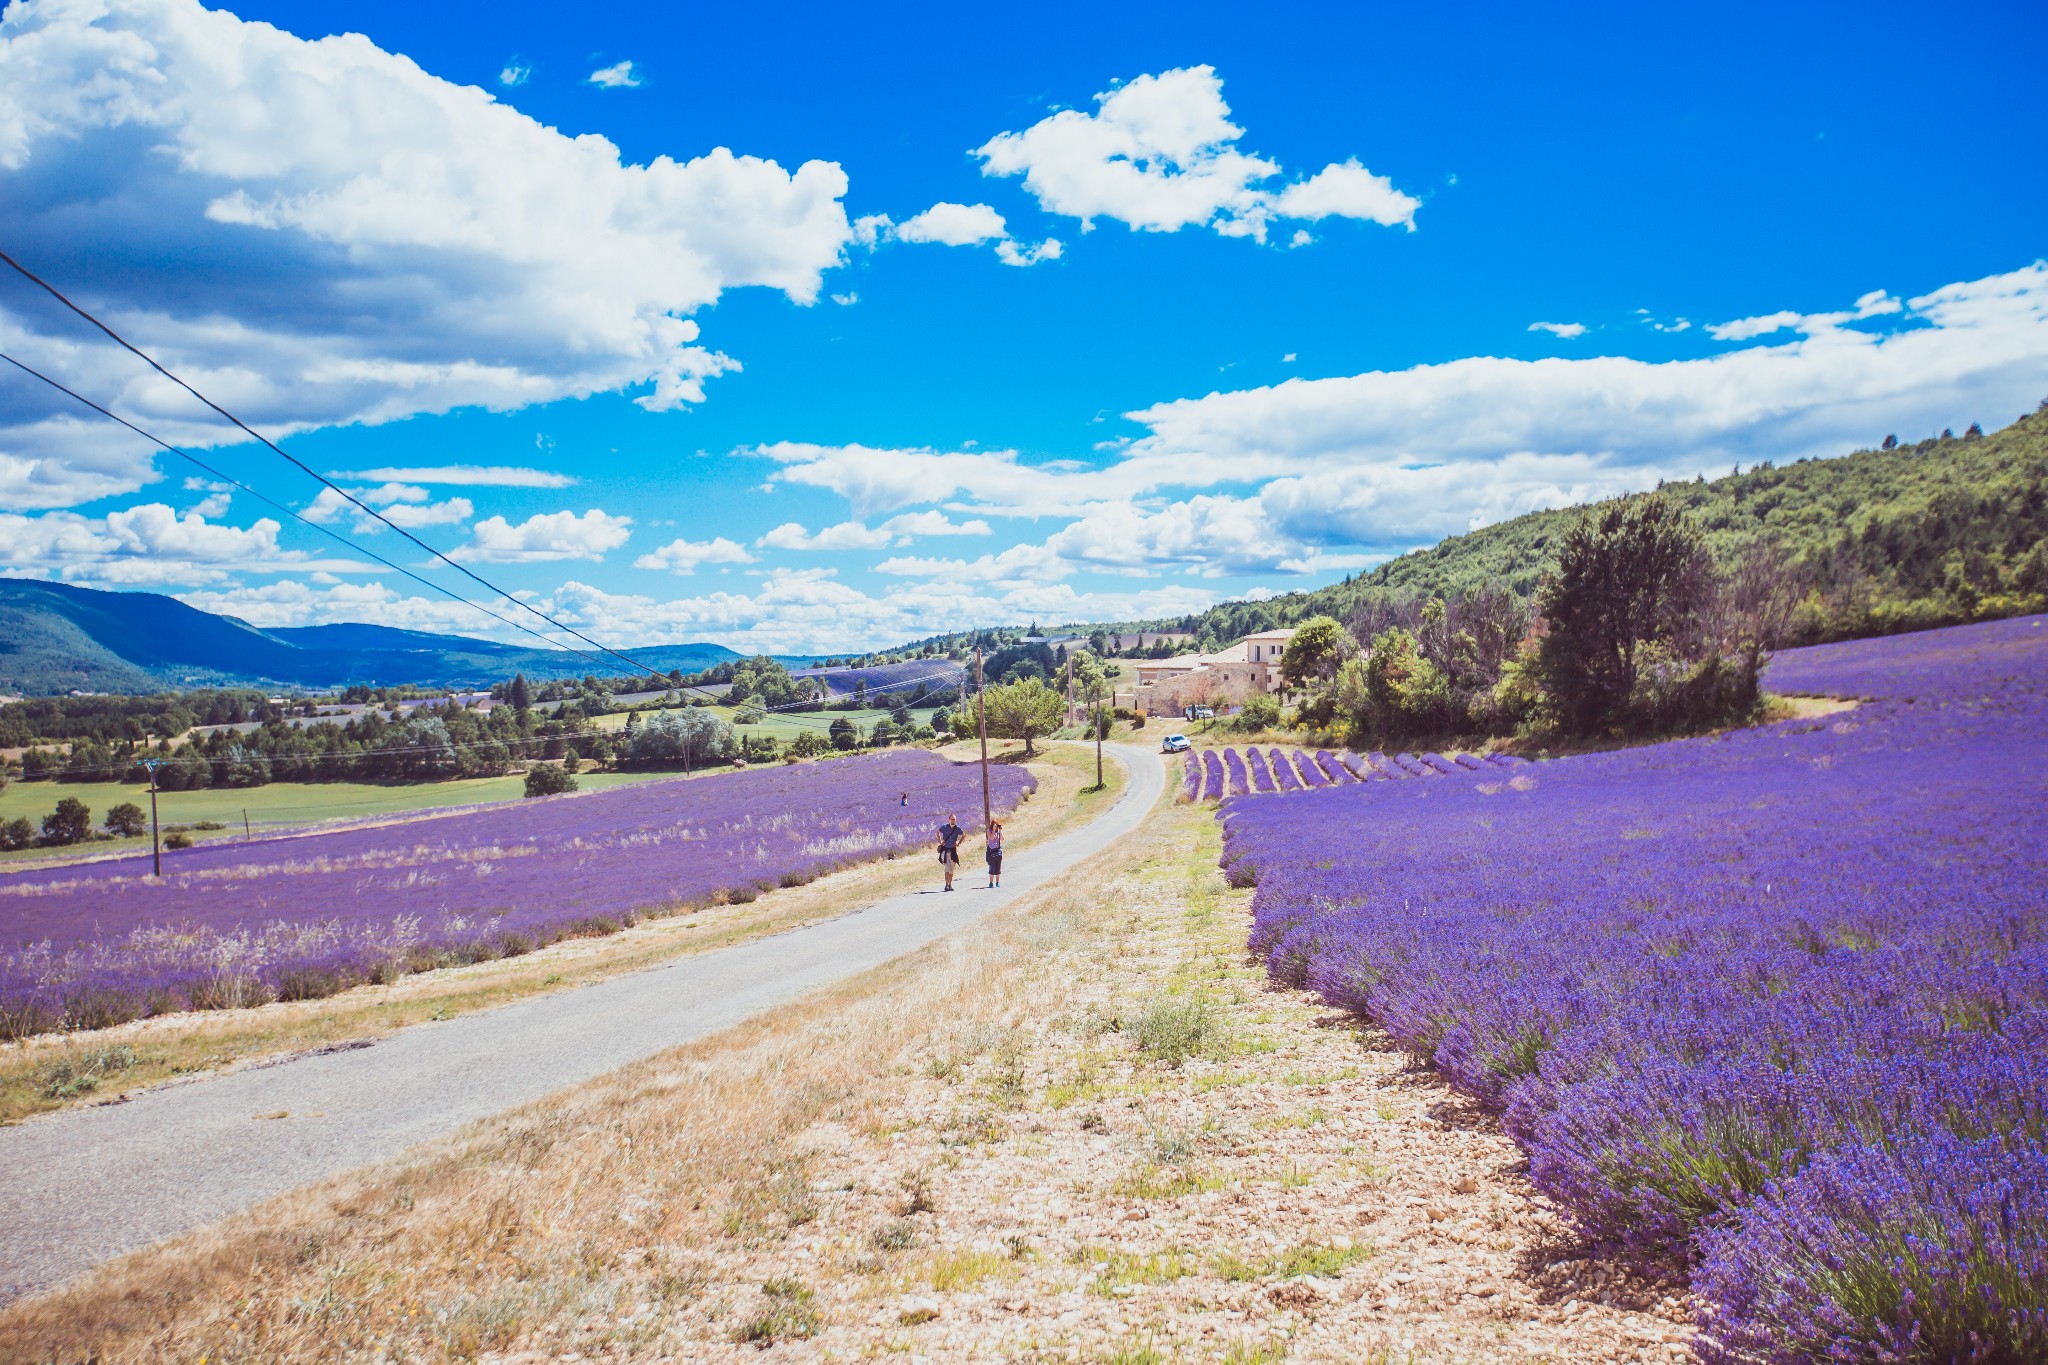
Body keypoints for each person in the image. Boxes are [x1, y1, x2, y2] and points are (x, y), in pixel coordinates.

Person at [936, 813, 963, 891]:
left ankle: (949, 885)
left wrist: (958, 843)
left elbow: (963, 835)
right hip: (945, 850)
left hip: (953, 850)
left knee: (951, 868)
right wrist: (940, 841)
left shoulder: (958, 828)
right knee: (947, 868)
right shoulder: (944, 827)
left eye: (954, 819)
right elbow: (938, 832)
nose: (953, 820)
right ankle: (947, 885)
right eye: (951, 819)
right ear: (949, 820)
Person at [984, 817, 1004, 889]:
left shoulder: (998, 832)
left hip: (998, 851)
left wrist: (1000, 831)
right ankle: (991, 882)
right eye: (994, 825)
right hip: (991, 851)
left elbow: (1002, 839)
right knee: (992, 867)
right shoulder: (989, 831)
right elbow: (991, 838)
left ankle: (998, 882)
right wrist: (993, 830)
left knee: (998, 867)